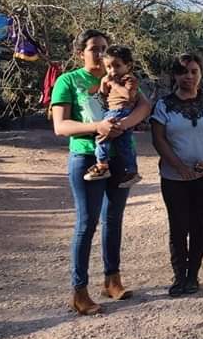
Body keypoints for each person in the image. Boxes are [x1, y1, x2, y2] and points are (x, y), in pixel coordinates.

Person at [51, 29, 152, 315]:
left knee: (114, 219)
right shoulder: (68, 81)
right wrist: (98, 128)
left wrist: (124, 124)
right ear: (80, 51)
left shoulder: (119, 75)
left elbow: (144, 106)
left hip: (121, 157)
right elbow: (61, 126)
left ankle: (112, 280)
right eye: (94, 48)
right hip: (86, 157)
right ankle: (79, 290)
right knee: (87, 223)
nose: (100, 53)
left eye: (104, 47)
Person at [150, 53, 203, 297]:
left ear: (201, 73)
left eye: (194, 71)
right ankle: (179, 276)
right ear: (175, 75)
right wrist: (179, 167)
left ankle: (193, 276)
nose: (189, 76)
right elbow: (158, 139)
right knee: (178, 225)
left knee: (198, 223)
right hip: (174, 177)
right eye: (183, 72)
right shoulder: (164, 105)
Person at [84, 45, 141, 187]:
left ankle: (102, 165)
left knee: (102, 136)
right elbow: (103, 96)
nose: (113, 70)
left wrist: (114, 84)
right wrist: (104, 84)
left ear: (128, 65)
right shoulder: (110, 79)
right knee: (123, 144)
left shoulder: (129, 79)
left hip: (120, 110)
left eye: (117, 66)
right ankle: (131, 171)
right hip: (112, 110)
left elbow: (128, 95)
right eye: (109, 67)